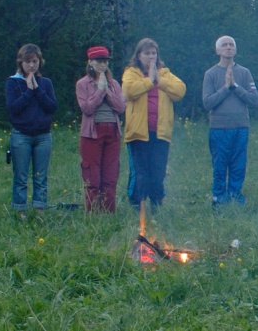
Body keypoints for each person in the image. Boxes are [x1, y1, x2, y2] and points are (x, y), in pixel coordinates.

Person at [122, 38, 186, 209]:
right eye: (147, 53)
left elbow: (180, 91)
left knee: (158, 172)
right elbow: (128, 92)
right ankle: (136, 206)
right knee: (140, 173)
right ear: (138, 55)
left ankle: (156, 205)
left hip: (160, 132)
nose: (151, 56)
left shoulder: (165, 73)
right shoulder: (131, 72)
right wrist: (150, 81)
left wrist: (159, 80)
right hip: (137, 133)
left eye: (153, 53)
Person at [202, 35, 258, 207]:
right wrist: (226, 88)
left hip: (241, 127)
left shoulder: (244, 73)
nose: (228, 47)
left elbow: (254, 100)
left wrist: (236, 86)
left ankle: (235, 196)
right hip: (219, 128)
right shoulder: (211, 74)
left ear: (235, 49)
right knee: (220, 165)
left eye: (231, 45)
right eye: (224, 45)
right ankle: (219, 198)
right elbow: (207, 102)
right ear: (218, 50)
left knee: (238, 165)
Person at [5, 44, 57, 215]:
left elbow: (51, 107)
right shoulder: (12, 83)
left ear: (39, 62)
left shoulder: (45, 83)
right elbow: (14, 108)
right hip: (21, 135)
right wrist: (28, 91)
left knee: (41, 176)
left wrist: (38, 90)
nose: (32, 66)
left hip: (43, 136)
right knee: (21, 176)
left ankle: (40, 210)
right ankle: (20, 211)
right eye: (28, 62)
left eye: (35, 61)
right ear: (21, 63)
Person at [76, 46, 126, 213]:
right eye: (99, 61)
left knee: (110, 175)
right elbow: (87, 108)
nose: (103, 64)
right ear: (90, 62)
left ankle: (109, 212)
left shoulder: (114, 84)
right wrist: (99, 91)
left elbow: (121, 107)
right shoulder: (82, 84)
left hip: (112, 132)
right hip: (92, 134)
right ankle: (92, 213)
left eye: (105, 61)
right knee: (92, 176)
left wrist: (107, 90)